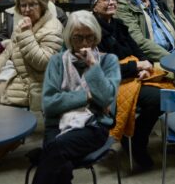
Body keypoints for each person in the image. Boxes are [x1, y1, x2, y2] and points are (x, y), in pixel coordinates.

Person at [32, 11, 120, 184]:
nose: (85, 44)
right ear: (69, 39)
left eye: (90, 38)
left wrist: (93, 67)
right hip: (57, 125)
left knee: (54, 150)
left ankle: (44, 154)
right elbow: (49, 104)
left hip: (93, 125)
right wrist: (87, 96)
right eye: (78, 38)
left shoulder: (108, 61)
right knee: (61, 165)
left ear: (97, 37)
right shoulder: (57, 62)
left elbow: (106, 99)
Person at [91, 0, 173, 170]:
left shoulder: (119, 25)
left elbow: (137, 50)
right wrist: (135, 67)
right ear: (95, 7)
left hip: (132, 74)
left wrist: (146, 65)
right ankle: (137, 142)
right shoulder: (91, 31)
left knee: (169, 87)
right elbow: (101, 68)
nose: (111, 2)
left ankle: (136, 137)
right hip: (111, 82)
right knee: (159, 98)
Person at [0, 0, 63, 111]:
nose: (27, 9)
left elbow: (43, 63)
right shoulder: (24, 23)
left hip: (33, 92)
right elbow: (8, 53)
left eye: (32, 4)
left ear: (42, 5)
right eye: (23, 5)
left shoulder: (53, 28)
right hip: (16, 84)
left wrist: (27, 34)